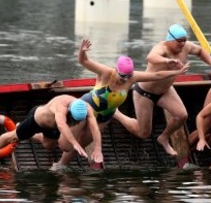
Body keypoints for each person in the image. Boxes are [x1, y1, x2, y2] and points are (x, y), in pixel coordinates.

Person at [53, 38, 191, 169]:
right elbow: (84, 62)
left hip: (104, 117)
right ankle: (46, 135)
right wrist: (82, 51)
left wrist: (176, 72)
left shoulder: (132, 77)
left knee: (79, 144)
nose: (125, 79)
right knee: (65, 145)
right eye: (122, 76)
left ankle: (60, 166)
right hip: (86, 109)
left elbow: (156, 76)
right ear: (116, 70)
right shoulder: (106, 73)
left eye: (128, 76)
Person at [114, 24, 211, 156]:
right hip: (145, 94)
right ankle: (116, 113)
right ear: (170, 40)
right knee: (143, 133)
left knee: (181, 115)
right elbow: (151, 57)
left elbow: (200, 51)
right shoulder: (162, 48)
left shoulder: (186, 46)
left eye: (184, 40)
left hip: (166, 91)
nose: (183, 44)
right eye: (179, 41)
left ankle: (164, 137)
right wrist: (168, 61)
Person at [0, 95, 102, 170]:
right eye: (73, 119)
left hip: (52, 127)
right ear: (69, 111)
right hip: (36, 121)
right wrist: (75, 144)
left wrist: (98, 148)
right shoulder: (61, 107)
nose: (75, 122)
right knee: (14, 137)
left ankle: (31, 135)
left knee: (48, 146)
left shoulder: (86, 108)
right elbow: (62, 126)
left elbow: (95, 128)